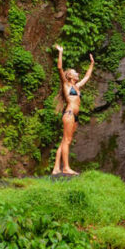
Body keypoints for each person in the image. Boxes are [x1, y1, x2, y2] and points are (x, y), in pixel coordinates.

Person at [52, 44, 94, 176]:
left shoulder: (77, 87)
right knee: (67, 141)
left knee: (65, 140)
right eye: (75, 72)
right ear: (70, 76)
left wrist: (92, 63)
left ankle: (56, 168)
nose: (77, 74)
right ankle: (66, 168)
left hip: (75, 116)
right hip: (69, 114)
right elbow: (59, 67)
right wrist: (61, 52)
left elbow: (87, 77)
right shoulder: (66, 85)